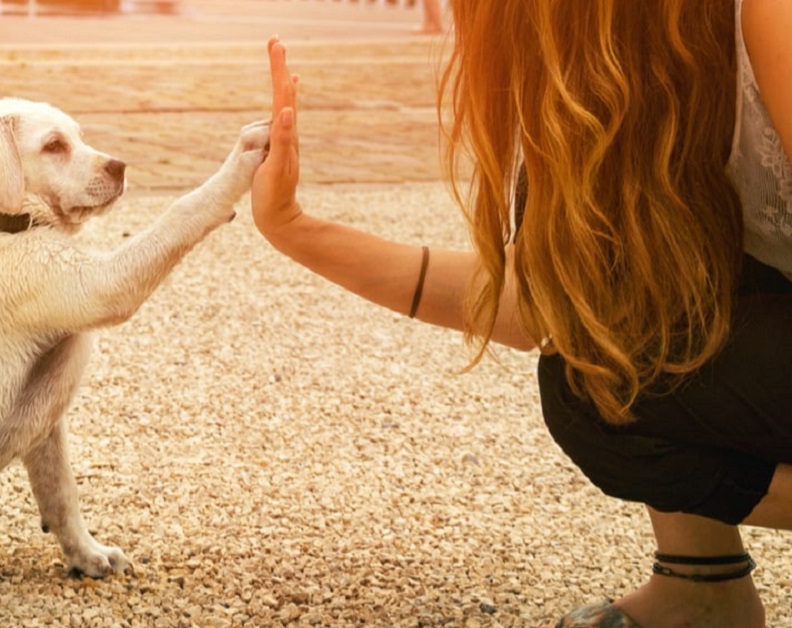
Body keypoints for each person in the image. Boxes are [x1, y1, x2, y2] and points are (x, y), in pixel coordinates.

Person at [250, 0, 792, 624]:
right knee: (597, 375)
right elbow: (544, 308)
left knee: (610, 362)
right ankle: (703, 591)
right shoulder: (611, 75)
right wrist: (295, 229)